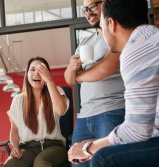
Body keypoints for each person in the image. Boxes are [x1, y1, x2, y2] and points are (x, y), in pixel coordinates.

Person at [68, 0, 159, 166]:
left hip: (110, 109)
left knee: (102, 158)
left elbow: (137, 131)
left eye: (102, 26)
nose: (102, 33)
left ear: (111, 24)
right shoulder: (150, 37)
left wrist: (89, 147)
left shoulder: (135, 50)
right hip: (88, 112)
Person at [64, 0, 125, 166]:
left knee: (107, 162)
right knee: (77, 163)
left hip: (111, 109)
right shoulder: (84, 42)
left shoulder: (115, 33)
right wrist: (72, 67)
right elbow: (69, 79)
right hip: (85, 115)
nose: (88, 12)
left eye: (92, 6)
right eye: (85, 9)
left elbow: (106, 68)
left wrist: (79, 75)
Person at [4, 57, 69, 167]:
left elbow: (61, 110)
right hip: (28, 148)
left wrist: (49, 80)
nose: (36, 73)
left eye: (41, 70)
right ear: (27, 74)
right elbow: (14, 131)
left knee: (41, 163)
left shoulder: (56, 91)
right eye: (32, 69)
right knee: (10, 164)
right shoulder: (18, 100)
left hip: (54, 147)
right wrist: (15, 147)